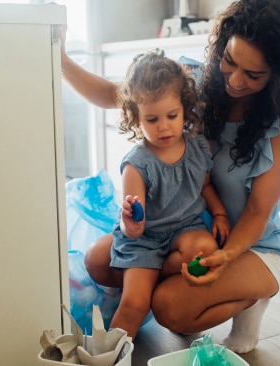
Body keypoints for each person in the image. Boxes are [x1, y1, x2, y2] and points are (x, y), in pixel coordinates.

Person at [58, 0, 280, 353]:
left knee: (169, 307)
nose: (235, 81)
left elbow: (258, 212)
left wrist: (226, 257)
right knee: (97, 261)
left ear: (278, 74)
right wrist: (57, 58)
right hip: (184, 226)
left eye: (253, 75)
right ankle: (160, 290)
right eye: (230, 61)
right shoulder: (192, 82)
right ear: (222, 44)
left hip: (252, 245)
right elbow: (116, 95)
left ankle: (252, 296)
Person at [106, 49, 230, 340]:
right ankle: (109, 356)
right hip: (146, 239)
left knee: (207, 250)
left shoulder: (199, 148)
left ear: (185, 108)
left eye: (171, 116)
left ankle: (160, 277)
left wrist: (220, 213)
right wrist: (131, 224)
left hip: (185, 228)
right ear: (135, 118)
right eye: (151, 120)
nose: (164, 127)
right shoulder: (136, 165)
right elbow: (133, 226)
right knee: (135, 303)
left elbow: (205, 186)